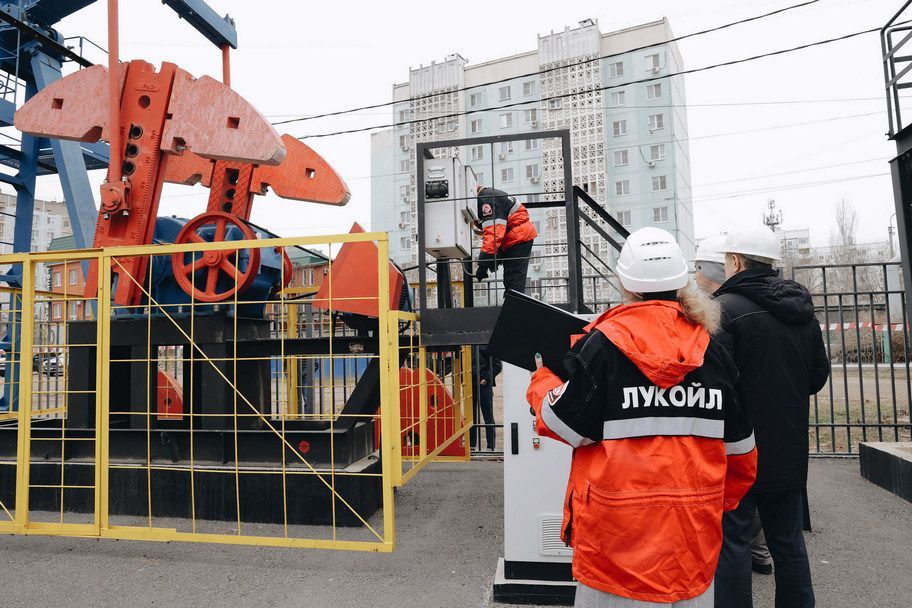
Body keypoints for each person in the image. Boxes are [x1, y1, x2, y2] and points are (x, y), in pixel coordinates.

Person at [526, 227, 757, 607]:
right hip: (689, 557)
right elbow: (742, 460)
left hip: (612, 557)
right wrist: (697, 510)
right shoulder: (713, 353)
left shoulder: (601, 346)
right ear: (682, 282)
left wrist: (541, 382)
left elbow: (561, 423)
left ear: (626, 285)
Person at [713, 226, 830, 608]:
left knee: (733, 543)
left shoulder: (725, 310)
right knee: (788, 542)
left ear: (736, 261)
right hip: (788, 448)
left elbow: (716, 385)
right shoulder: (802, 311)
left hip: (737, 450)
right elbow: (816, 377)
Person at [694, 236, 773, 577]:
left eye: (698, 269)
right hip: (779, 428)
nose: (694, 276)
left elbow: (716, 377)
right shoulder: (788, 304)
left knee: (737, 515)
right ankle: (759, 549)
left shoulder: (722, 311)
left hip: (736, 429)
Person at [470, 185, 538, 451]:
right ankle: (515, 310)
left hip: (517, 239)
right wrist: (488, 259)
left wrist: (485, 259)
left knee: (513, 287)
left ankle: (515, 313)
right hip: (516, 238)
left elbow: (494, 232)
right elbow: (492, 230)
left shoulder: (486, 199)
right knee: (512, 285)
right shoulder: (492, 197)